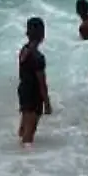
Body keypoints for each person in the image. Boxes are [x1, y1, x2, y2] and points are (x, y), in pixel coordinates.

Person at [16, 17, 51, 146]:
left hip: (23, 90)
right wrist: (47, 103)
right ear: (42, 34)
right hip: (33, 95)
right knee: (29, 134)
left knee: (24, 127)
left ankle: (15, 153)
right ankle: (23, 160)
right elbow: (42, 83)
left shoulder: (24, 50)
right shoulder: (38, 57)